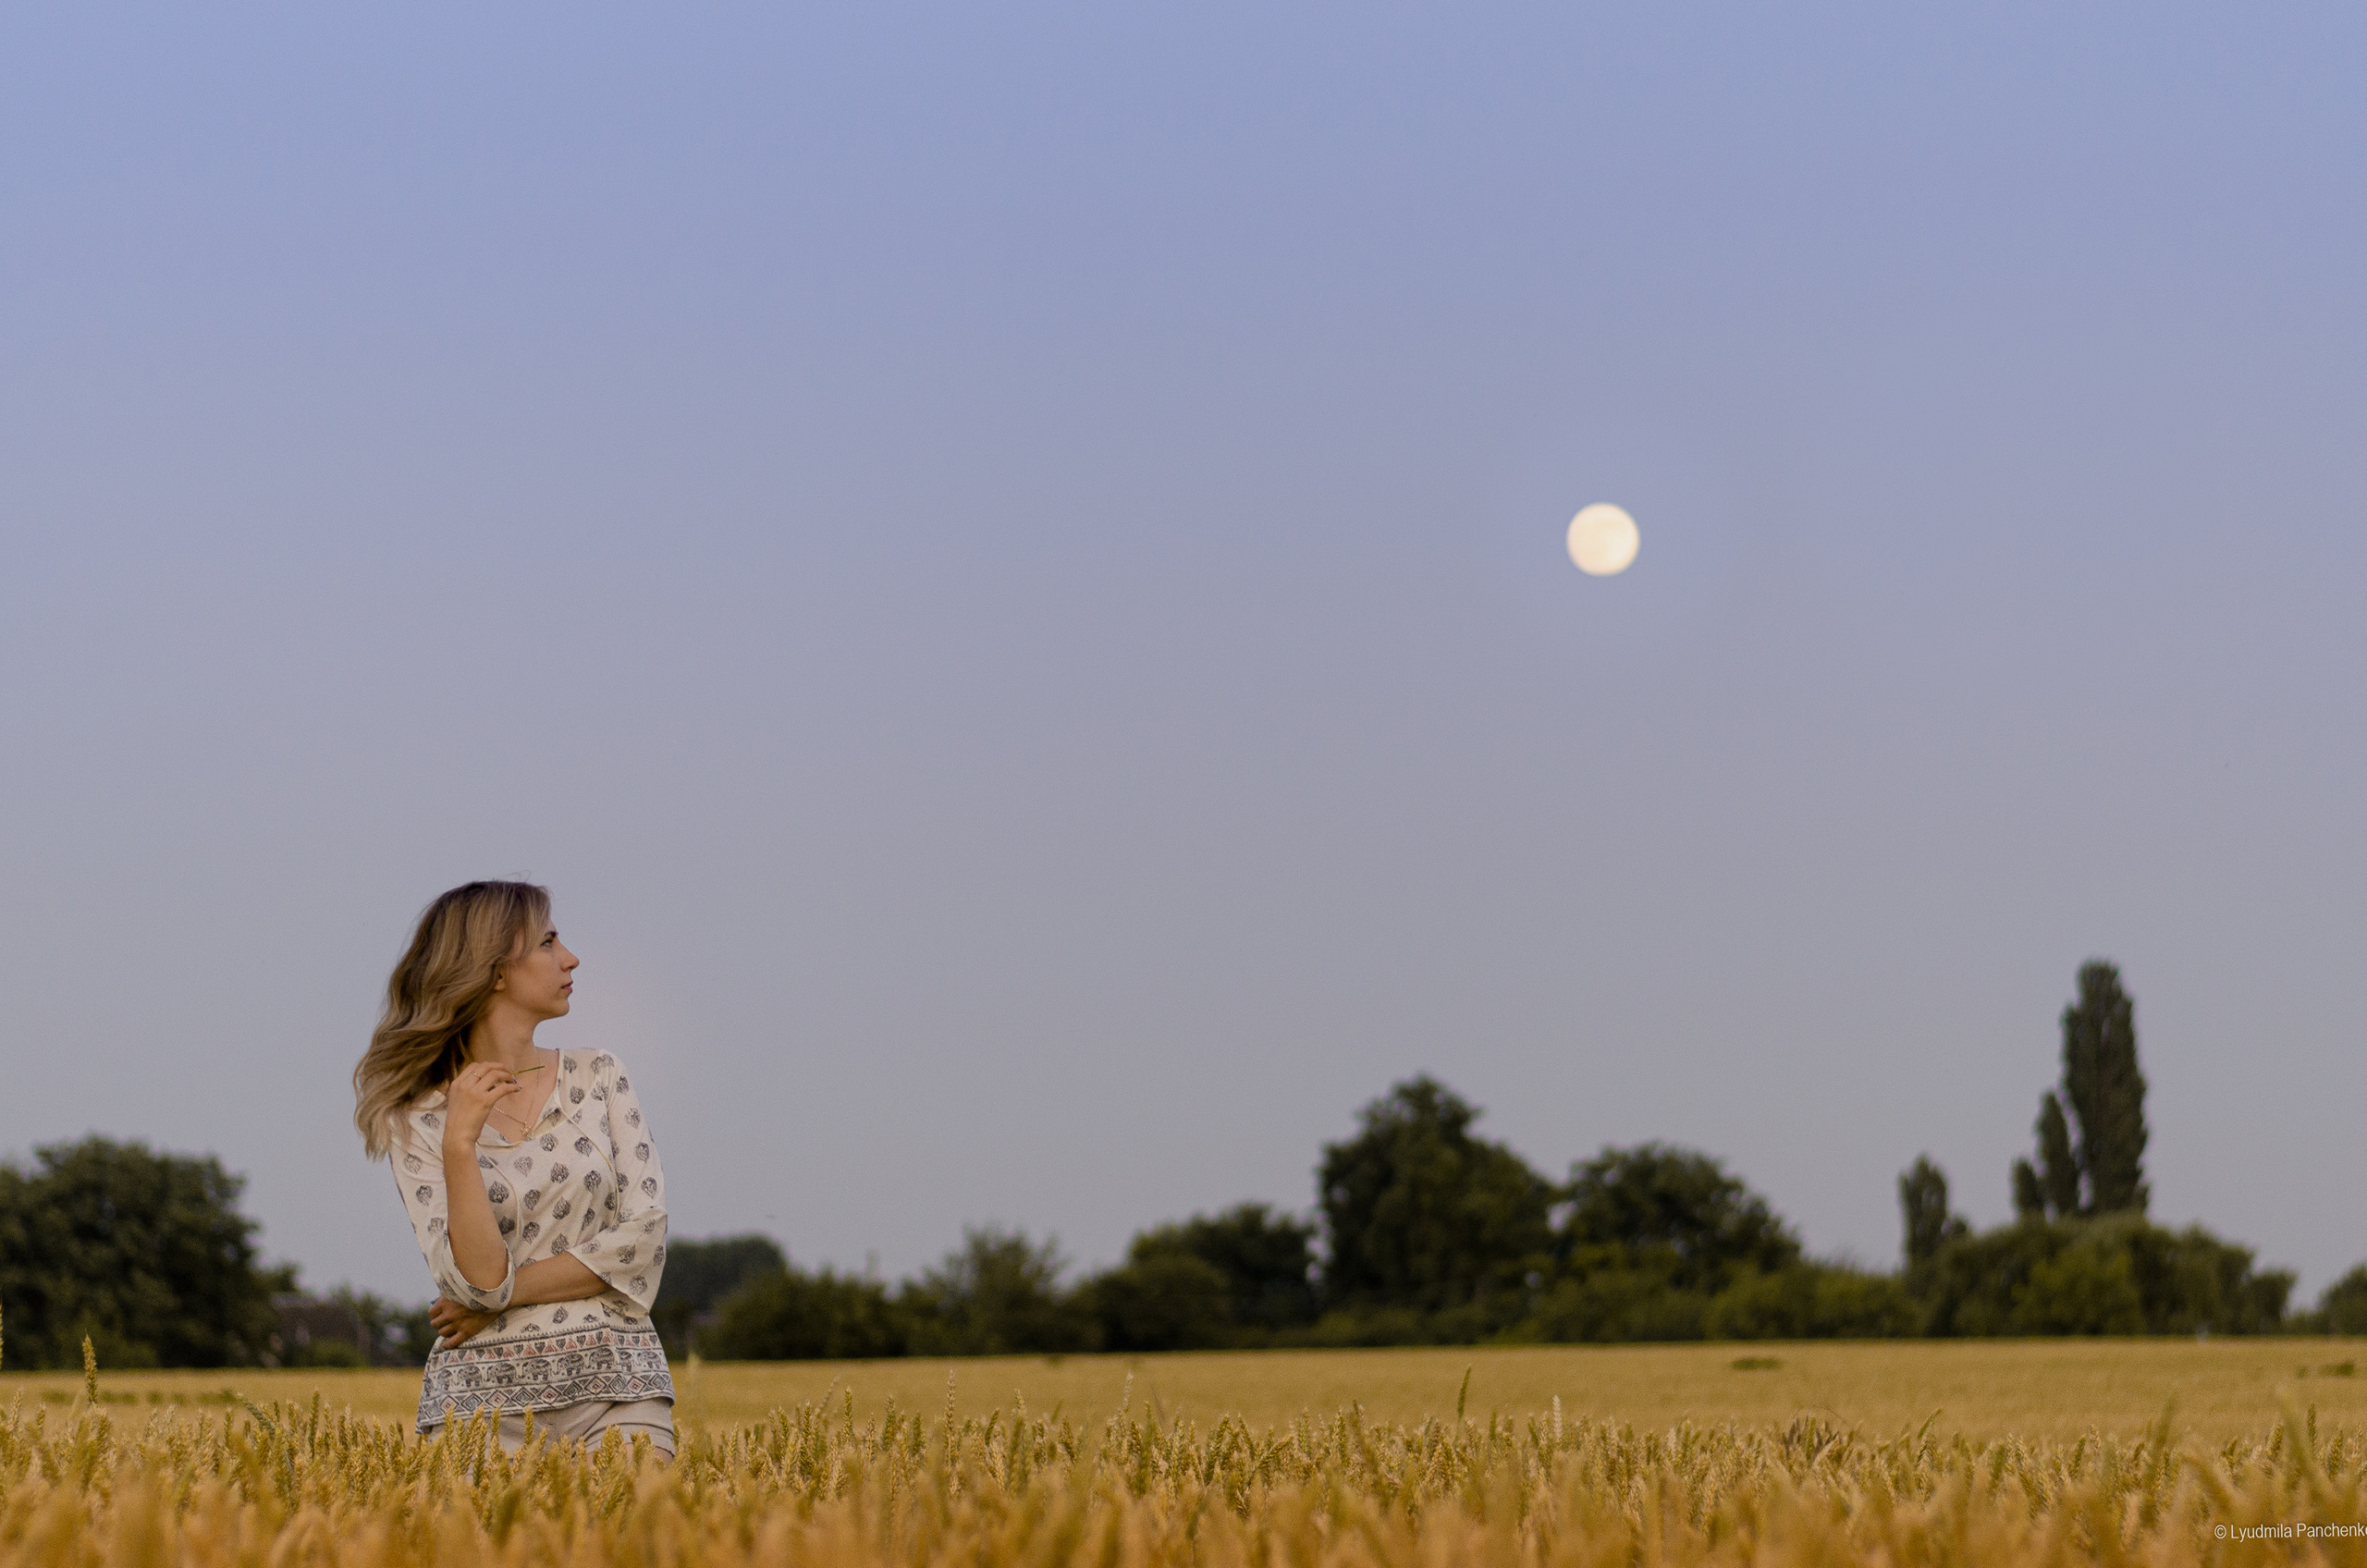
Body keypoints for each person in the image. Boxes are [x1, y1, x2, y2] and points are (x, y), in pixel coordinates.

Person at [352, 880, 676, 1457]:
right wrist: (459, 1141)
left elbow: (642, 1237)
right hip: (478, 1414)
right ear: (496, 971)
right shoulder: (416, 1120)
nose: (570, 958)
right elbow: (474, 1278)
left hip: (619, 1387)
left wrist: (500, 1300)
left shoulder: (600, 1076)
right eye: (548, 941)